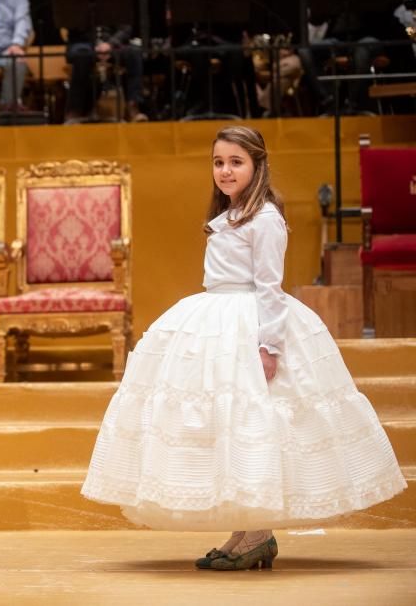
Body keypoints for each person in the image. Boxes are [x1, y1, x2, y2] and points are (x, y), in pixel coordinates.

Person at [81, 126, 406, 570]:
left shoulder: (266, 218)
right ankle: (245, 532)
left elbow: (269, 287)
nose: (226, 171)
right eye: (219, 162)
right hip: (215, 314)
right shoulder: (231, 215)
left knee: (257, 423)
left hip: (249, 323)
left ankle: (258, 532)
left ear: (257, 165)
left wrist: (268, 345)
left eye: (236, 162)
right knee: (224, 423)